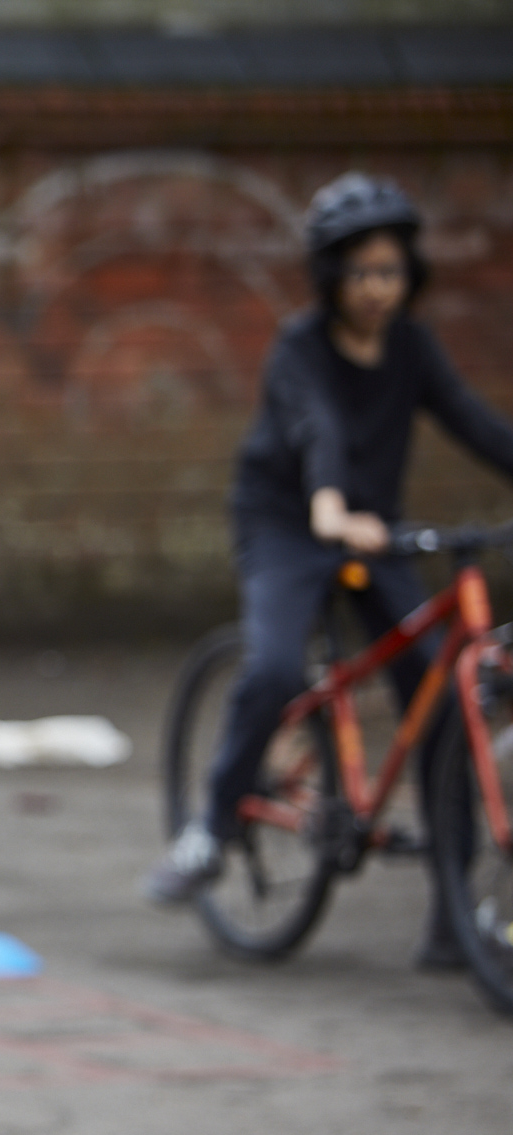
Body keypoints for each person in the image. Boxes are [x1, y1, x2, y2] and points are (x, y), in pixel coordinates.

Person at [142, 172, 513, 968]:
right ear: (330, 278)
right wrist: (330, 505)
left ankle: (454, 915)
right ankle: (211, 825)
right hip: (291, 523)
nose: (378, 289)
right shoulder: (299, 348)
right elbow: (321, 430)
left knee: (442, 698)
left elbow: (476, 424)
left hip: (372, 533)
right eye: (360, 273)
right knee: (276, 665)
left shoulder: (413, 347)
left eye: (390, 271)